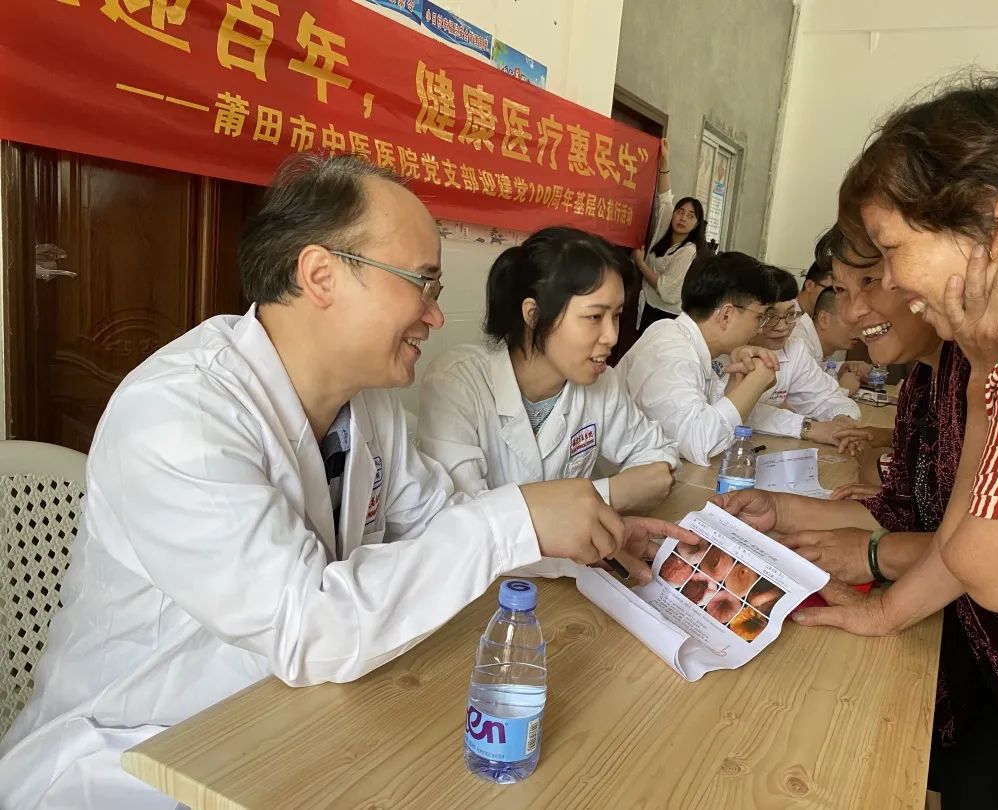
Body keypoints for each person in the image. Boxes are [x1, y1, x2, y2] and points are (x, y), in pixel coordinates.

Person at [0, 154, 695, 808]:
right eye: (421, 284)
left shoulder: (370, 406)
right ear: (322, 275)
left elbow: (442, 519)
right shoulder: (181, 414)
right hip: (142, 751)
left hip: (287, 720)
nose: (436, 315)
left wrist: (581, 535)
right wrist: (517, 518)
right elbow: (310, 627)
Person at [778, 73, 998, 806]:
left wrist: (987, 373)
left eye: (891, 251)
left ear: (986, 218)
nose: (891, 285)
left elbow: (995, 572)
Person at [417, 227, 679, 523]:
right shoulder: (457, 382)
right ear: (533, 315)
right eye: (594, 317)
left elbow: (660, 458)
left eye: (616, 315)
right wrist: (608, 494)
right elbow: (462, 519)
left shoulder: (602, 381)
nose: (611, 336)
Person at [617, 251, 781, 466]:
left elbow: (710, 420)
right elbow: (699, 444)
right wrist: (757, 381)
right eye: (760, 317)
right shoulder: (670, 350)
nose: (759, 329)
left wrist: (734, 389)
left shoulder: (694, 344)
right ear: (726, 315)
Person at [744, 268, 868, 452]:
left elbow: (826, 396)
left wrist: (843, 421)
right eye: (770, 317)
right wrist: (807, 428)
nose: (782, 327)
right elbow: (737, 409)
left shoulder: (794, 348)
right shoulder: (728, 350)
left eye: (790, 315)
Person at [631, 139, 707, 332]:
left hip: (665, 315)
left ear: (697, 224)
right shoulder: (666, 226)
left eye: (691, 216)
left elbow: (667, 291)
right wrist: (665, 160)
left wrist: (640, 264)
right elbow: (665, 197)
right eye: (680, 212)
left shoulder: (688, 251)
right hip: (646, 305)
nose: (683, 218)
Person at [810, 288, 861, 393]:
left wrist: (838, 371)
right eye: (850, 321)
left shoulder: (818, 347)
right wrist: (843, 390)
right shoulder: (800, 346)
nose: (858, 330)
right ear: (824, 319)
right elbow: (803, 402)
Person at [790, 255, 834, 355]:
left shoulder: (813, 317)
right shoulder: (786, 316)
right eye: (830, 290)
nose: (835, 297)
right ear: (809, 285)